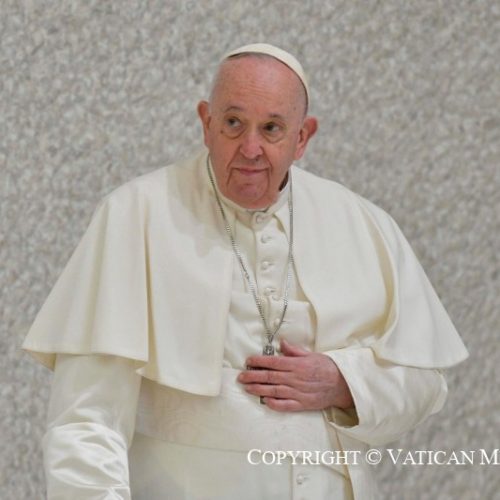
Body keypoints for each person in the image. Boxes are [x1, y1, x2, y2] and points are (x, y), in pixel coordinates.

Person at [23, 43, 468, 499]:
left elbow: (425, 384)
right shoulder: (136, 214)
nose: (250, 149)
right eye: (233, 123)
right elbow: (86, 420)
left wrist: (344, 383)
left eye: (271, 128)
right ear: (206, 123)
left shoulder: (363, 223)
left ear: (302, 138)